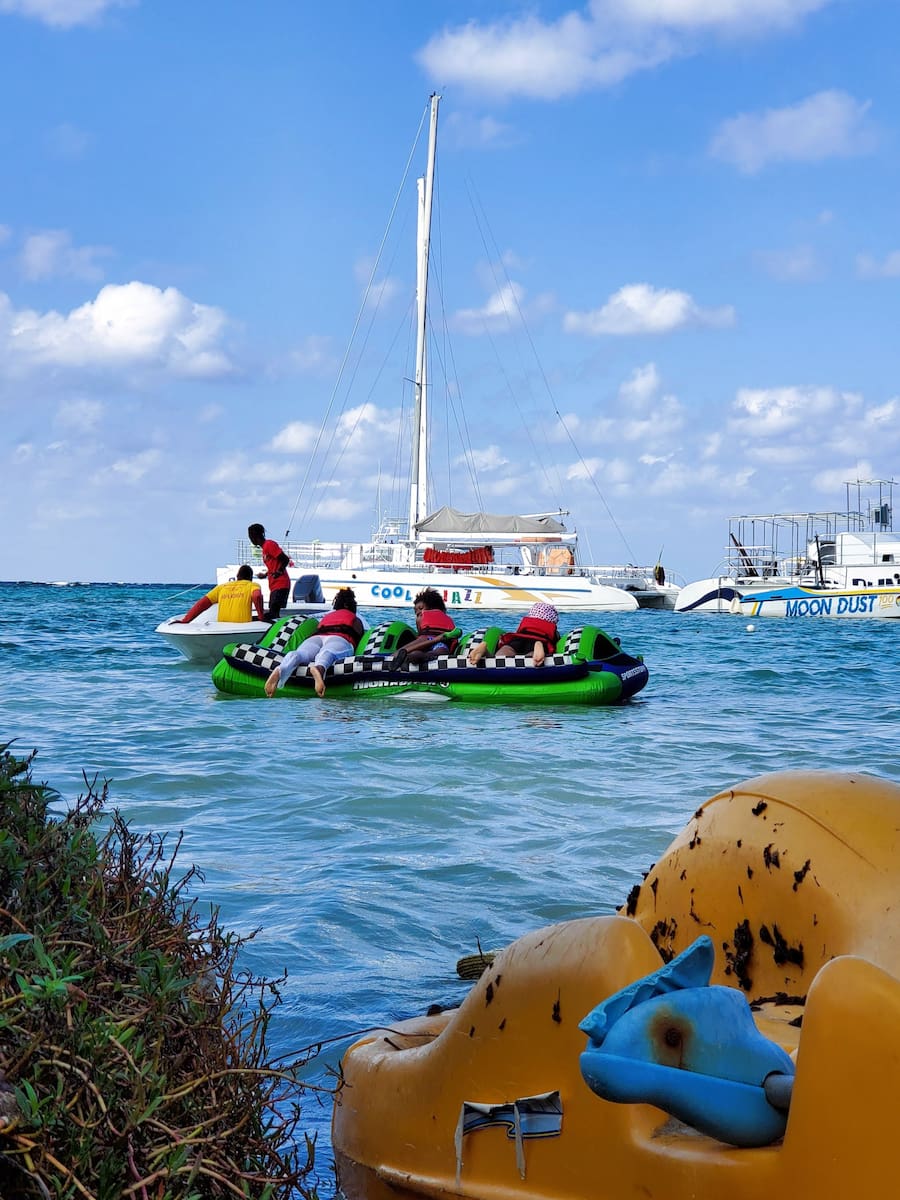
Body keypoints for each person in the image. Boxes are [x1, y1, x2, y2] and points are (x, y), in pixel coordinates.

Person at [264, 587, 363, 698]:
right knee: (328, 653)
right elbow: (358, 634)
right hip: (339, 637)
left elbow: (319, 628)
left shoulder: (327, 617)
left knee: (301, 653)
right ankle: (319, 669)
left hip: (317, 637)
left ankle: (280, 669)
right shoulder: (354, 618)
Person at [467, 602, 559, 667]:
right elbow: (556, 642)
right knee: (529, 660)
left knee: (500, 657)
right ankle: (537, 649)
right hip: (539, 641)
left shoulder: (526, 622)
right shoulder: (552, 628)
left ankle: (485, 652)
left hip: (516, 640)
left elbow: (518, 632)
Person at [388, 589, 462, 671]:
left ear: (433, 608)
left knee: (401, 652)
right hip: (442, 643)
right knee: (438, 652)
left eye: (420, 608)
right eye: (416, 611)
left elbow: (420, 633)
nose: (418, 612)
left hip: (425, 639)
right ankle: (418, 656)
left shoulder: (420, 617)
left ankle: (407, 655)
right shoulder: (447, 618)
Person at [175, 565, 264, 624]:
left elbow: (202, 604)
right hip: (241, 628)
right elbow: (257, 596)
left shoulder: (222, 587)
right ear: (250, 578)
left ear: (237, 576)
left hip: (222, 627)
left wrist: (186, 620)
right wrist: (261, 617)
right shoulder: (252, 585)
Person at [247, 523, 291, 622]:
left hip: (281, 584)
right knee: (273, 613)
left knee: (273, 614)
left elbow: (285, 559)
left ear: (254, 536)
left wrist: (279, 572)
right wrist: (266, 574)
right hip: (274, 585)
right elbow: (274, 565)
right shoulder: (264, 549)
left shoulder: (269, 545)